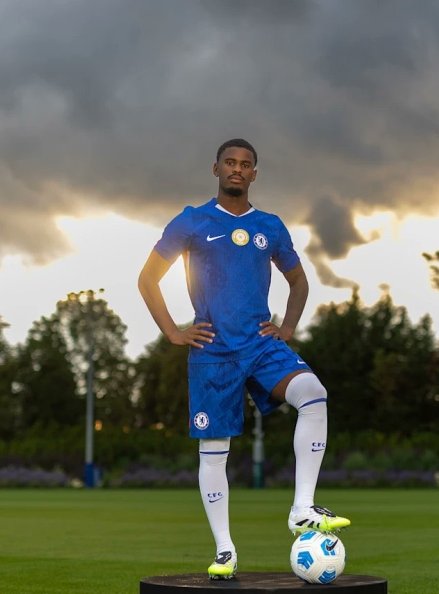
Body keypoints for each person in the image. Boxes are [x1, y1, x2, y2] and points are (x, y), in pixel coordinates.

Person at [137, 138, 350, 580]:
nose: (237, 168)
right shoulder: (192, 221)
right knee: (214, 453)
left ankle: (302, 508)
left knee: (314, 394)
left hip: (260, 344)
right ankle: (225, 550)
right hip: (212, 351)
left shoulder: (270, 226)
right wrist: (173, 332)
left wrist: (287, 328)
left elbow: (299, 281)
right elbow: (148, 279)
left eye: (246, 164)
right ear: (215, 168)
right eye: (230, 162)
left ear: (255, 173)